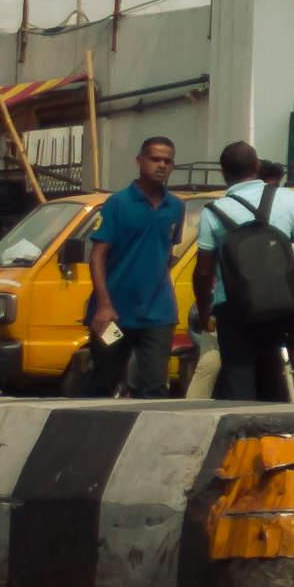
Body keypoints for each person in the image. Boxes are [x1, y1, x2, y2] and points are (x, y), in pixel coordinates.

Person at [190, 139, 294, 405]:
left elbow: (203, 271)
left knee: (238, 375)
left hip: (234, 308)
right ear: (256, 166)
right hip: (281, 304)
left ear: (223, 172)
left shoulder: (214, 211)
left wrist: (205, 308)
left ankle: (242, 440)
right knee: (275, 371)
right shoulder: (288, 199)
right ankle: (278, 436)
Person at [80, 135, 189, 398]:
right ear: (139, 161)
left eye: (167, 160)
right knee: (103, 383)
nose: (161, 165)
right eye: (155, 159)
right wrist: (104, 305)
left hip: (158, 314)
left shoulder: (176, 207)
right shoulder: (117, 204)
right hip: (114, 315)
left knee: (154, 387)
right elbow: (98, 255)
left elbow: (166, 253)